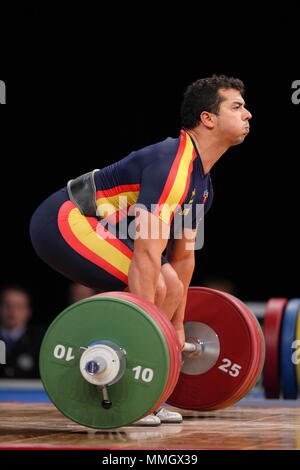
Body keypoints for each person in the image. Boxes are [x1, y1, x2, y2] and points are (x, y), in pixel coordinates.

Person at [29, 75, 252, 425]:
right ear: (207, 118)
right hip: (65, 220)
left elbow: (182, 258)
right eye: (237, 107)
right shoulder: (172, 165)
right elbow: (148, 255)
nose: (248, 114)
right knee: (158, 286)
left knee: (171, 286)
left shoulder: (202, 186)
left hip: (106, 230)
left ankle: (149, 393)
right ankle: (132, 388)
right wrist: (148, 337)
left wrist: (177, 328)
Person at [0, 284, 45, 378]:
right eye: (7, 305)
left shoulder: (40, 341)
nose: (11, 311)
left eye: (18, 306)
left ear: (28, 312)